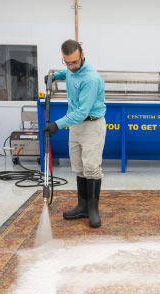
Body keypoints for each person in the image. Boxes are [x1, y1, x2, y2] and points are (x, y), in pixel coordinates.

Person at [44, 40, 106, 228]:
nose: (71, 67)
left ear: (82, 56)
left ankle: (93, 210)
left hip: (91, 125)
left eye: (74, 63)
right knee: (78, 167)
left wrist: (57, 125)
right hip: (75, 126)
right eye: (67, 62)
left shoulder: (91, 78)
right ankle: (82, 206)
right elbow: (67, 75)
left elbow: (82, 112)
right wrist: (54, 76)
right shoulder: (71, 70)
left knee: (91, 167)